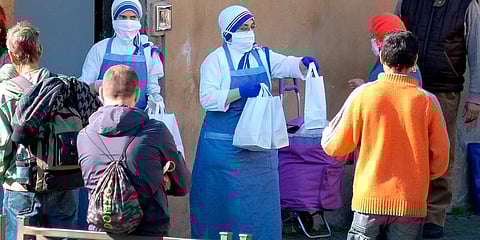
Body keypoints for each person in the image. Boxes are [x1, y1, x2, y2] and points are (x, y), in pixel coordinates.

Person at [189, 5, 320, 240]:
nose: (249, 33)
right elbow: (207, 99)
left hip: (258, 155)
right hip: (224, 153)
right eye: (242, 28)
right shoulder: (215, 61)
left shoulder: (263, 55)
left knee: (258, 212)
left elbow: (287, 64)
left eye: (251, 27)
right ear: (228, 33)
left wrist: (303, 63)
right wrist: (239, 91)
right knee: (223, 210)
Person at [321, 31, 449, 240]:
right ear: (415, 61)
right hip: (410, 203)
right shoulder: (428, 102)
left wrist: (326, 132)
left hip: (368, 200)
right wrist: (422, 175)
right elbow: (441, 159)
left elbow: (334, 145)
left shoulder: (363, 95)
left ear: (381, 58)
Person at [395, 0, 480, 237]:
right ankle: (403, 212)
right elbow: (392, 40)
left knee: (441, 153)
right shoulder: (407, 2)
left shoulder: (466, 5)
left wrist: (475, 97)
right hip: (406, 87)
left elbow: (477, 50)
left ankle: (435, 217)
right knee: (405, 151)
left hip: (445, 90)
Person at [77, 65, 191, 236]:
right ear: (137, 95)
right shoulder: (156, 132)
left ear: (100, 94)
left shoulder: (84, 136)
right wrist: (162, 178)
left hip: (101, 232)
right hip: (147, 231)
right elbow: (183, 184)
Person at [0, 21, 88, 239]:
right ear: (40, 50)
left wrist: (4, 176)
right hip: (62, 184)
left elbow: (3, 145)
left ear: (11, 56)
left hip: (21, 187)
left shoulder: (5, 93)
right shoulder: (63, 87)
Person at [79, 0, 164, 110]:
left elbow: (152, 89)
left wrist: (156, 99)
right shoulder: (99, 49)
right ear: (114, 19)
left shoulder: (149, 51)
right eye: (122, 17)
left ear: (139, 20)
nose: (128, 23)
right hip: (103, 120)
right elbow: (83, 87)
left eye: (133, 18)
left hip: (139, 120)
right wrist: (96, 86)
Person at [348, 13, 422, 89]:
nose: (373, 40)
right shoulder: (407, 62)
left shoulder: (391, 67)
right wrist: (364, 85)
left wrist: (364, 89)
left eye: (375, 36)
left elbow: (387, 94)